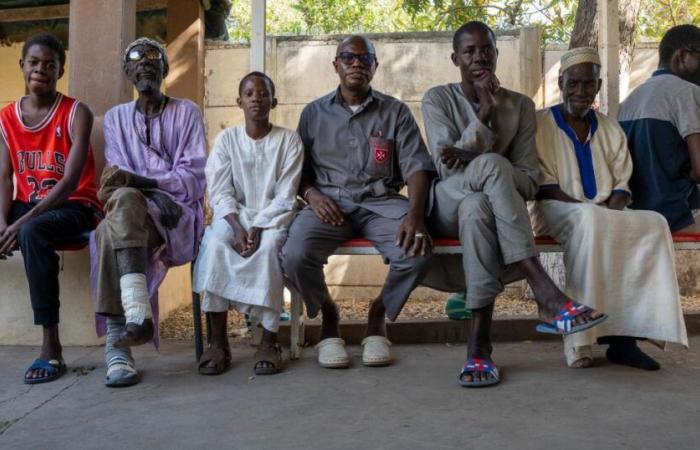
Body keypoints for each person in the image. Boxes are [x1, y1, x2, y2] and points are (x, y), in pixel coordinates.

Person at [421, 22, 606, 387]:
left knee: (479, 206)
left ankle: (478, 349)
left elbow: (528, 180)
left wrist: (482, 161)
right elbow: (446, 167)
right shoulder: (437, 99)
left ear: (496, 53)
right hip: (445, 202)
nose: (479, 57)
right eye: (470, 51)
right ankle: (544, 288)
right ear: (455, 57)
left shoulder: (520, 105)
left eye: (486, 49)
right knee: (489, 169)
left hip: (485, 209)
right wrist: (485, 112)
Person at [281, 35, 435, 369]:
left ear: (375, 66)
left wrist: (415, 215)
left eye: (365, 59)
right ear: (335, 64)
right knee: (293, 256)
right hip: (329, 205)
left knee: (417, 249)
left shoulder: (395, 112)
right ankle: (329, 316)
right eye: (348, 57)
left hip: (382, 203)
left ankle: (378, 313)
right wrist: (312, 194)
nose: (356, 64)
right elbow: (297, 173)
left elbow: (418, 168)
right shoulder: (313, 114)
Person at [531, 47, 688, 370]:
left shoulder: (610, 127)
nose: (580, 91)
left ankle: (626, 339)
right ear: (561, 82)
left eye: (588, 84)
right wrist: (600, 215)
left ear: (598, 87)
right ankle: (579, 342)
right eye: (573, 83)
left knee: (653, 223)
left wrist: (613, 213)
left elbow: (621, 183)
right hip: (556, 209)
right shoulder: (540, 124)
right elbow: (545, 185)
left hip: (603, 212)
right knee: (591, 221)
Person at [92, 38, 206, 387]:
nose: (144, 62)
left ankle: (119, 346)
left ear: (165, 69)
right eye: (135, 58)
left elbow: (192, 178)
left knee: (109, 228)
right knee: (119, 213)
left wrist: (144, 184)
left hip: (175, 215)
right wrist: (148, 185)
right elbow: (116, 179)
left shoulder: (186, 112)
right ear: (128, 72)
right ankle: (136, 317)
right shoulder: (115, 119)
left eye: (153, 56)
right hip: (132, 212)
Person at [0, 33, 100, 384]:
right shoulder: (6, 118)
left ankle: (51, 347)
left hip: (75, 206)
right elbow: (3, 176)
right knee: (22, 227)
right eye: (34, 62)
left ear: (60, 70)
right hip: (27, 207)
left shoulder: (76, 112)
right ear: (22, 66)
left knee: (31, 230)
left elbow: (71, 181)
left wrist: (19, 223)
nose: (41, 69)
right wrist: (2, 222)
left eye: (50, 65)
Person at [193, 72, 303, 375]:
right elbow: (219, 189)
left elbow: (286, 195)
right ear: (238, 101)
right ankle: (218, 343)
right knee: (215, 244)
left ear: (274, 101)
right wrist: (238, 227)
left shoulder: (289, 140)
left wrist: (258, 227)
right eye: (250, 93)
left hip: (273, 217)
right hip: (234, 215)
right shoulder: (227, 139)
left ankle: (269, 340)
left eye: (263, 93)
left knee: (268, 249)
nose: (257, 98)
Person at [619, 24, 700, 231]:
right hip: (681, 215)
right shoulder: (688, 93)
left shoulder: (629, 101)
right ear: (682, 56)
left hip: (637, 219)